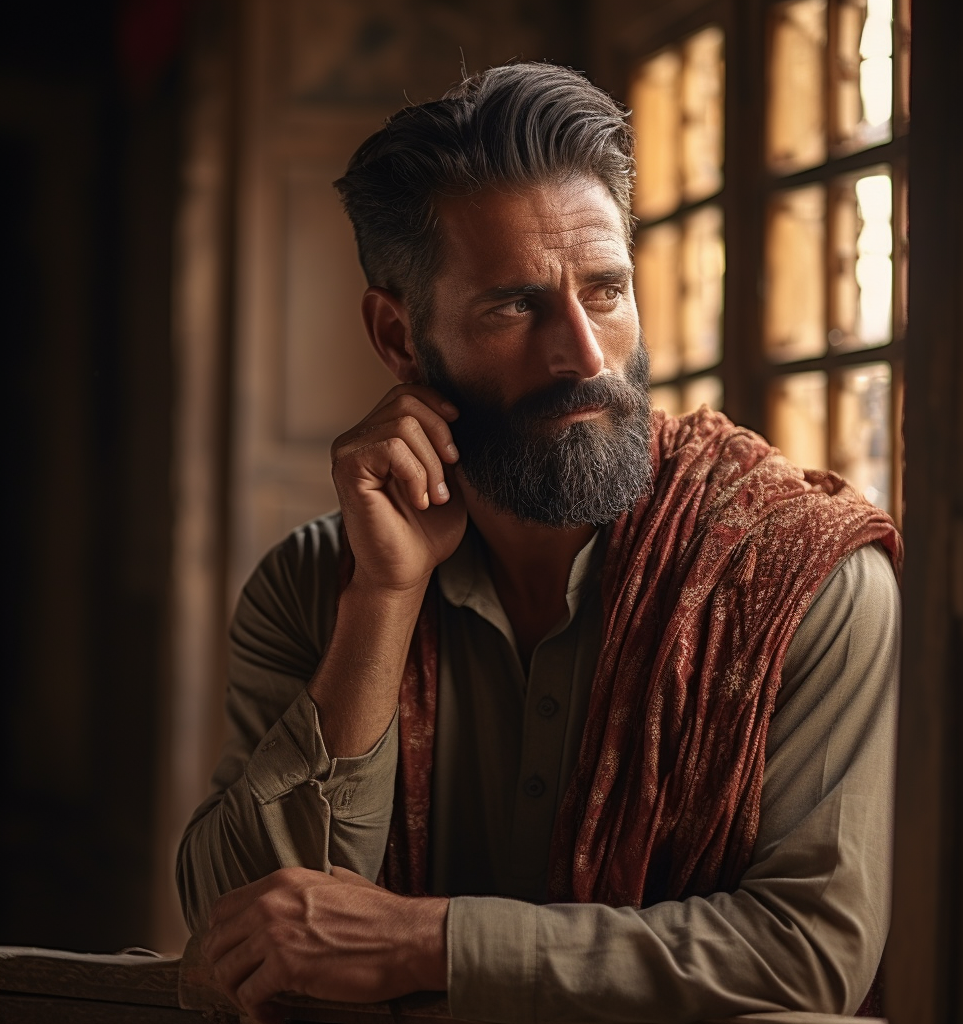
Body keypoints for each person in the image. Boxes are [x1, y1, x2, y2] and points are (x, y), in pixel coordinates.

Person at [177, 62, 902, 1024]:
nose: (585, 356)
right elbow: (249, 932)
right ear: (398, 337)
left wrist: (423, 943)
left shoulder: (802, 578)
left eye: (605, 291)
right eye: (516, 306)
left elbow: (804, 960)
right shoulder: (318, 585)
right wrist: (383, 605)